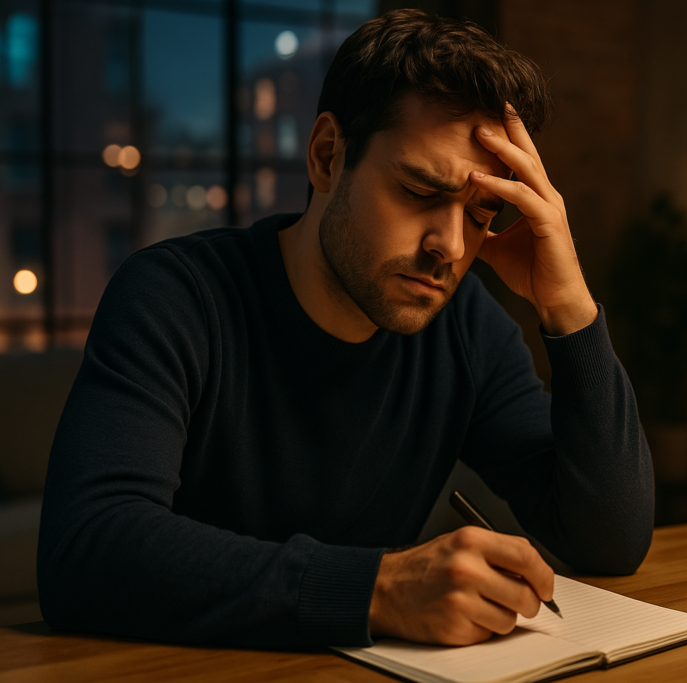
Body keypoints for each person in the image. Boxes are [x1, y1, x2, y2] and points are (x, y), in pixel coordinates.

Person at [37, 9, 653, 648]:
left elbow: (610, 541)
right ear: (328, 157)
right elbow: (87, 549)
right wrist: (378, 589)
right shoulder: (176, 298)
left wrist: (570, 308)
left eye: (481, 213)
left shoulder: (469, 328)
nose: (450, 244)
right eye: (419, 190)